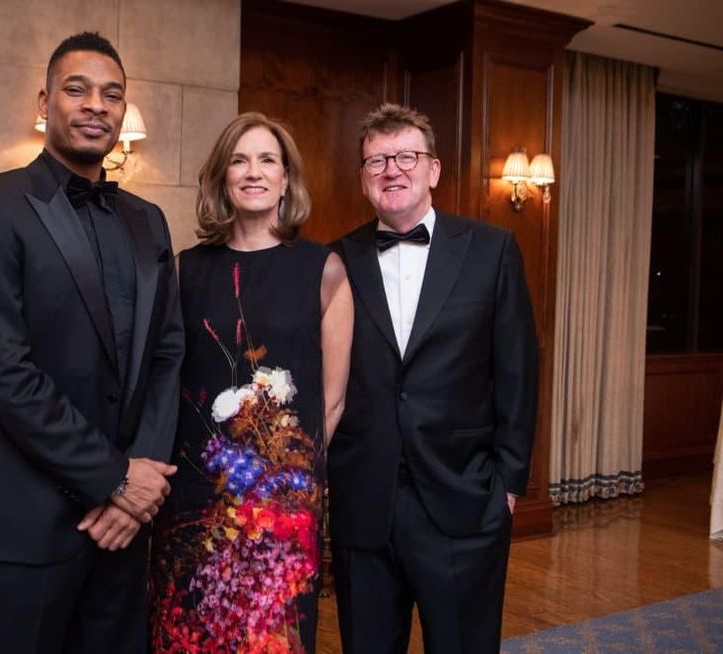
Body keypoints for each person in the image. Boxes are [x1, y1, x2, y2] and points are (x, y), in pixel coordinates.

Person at [0, 32, 183, 653]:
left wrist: (140, 488)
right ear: (45, 100)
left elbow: (167, 355)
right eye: (77, 90)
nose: (96, 105)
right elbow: (1, 369)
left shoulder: (149, 220)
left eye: (112, 95)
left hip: (125, 527)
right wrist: (112, 477)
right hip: (29, 521)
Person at [329, 103, 539, 653]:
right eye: (377, 161)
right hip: (365, 504)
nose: (392, 170)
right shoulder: (334, 261)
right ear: (363, 178)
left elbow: (518, 368)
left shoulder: (492, 250)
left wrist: (509, 485)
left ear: (434, 170)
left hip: (463, 499)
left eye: (406, 157)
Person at [149, 112, 353, 653]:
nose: (253, 172)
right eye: (239, 160)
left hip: (281, 508)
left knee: (271, 640)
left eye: (267, 160)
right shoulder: (184, 270)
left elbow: (331, 403)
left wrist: (284, 482)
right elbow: (164, 380)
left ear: (287, 179)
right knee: (189, 634)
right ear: (222, 179)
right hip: (193, 500)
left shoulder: (324, 269)